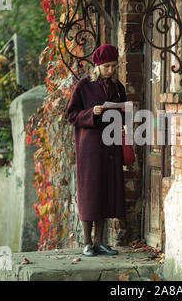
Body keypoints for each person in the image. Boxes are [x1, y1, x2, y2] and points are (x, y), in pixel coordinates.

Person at [65, 43, 127, 256]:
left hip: (110, 145)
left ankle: (101, 242)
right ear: (97, 65)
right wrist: (92, 112)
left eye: (114, 66)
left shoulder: (118, 87)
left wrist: (124, 114)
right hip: (89, 148)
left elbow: (124, 113)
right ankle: (87, 243)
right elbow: (71, 115)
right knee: (90, 191)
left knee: (105, 190)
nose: (111, 70)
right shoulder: (83, 86)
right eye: (107, 66)